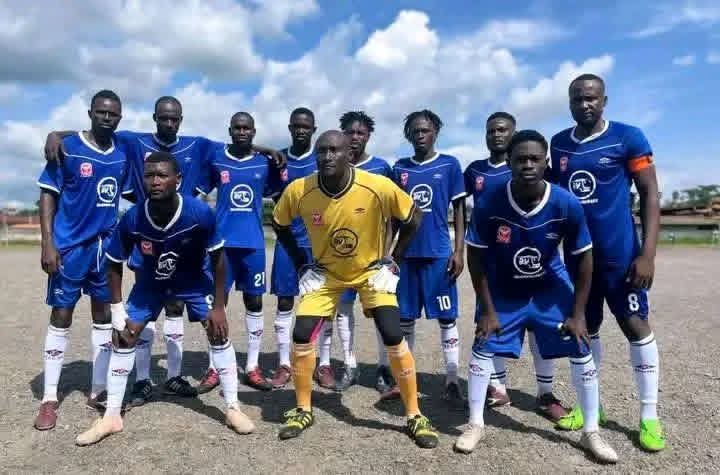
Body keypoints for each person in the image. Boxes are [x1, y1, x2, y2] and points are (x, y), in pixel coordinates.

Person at [43, 97, 283, 402]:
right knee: (144, 305)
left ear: (180, 120)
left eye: (174, 119)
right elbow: (99, 130)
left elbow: (235, 143)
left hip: (183, 239)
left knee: (175, 308)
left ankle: (173, 376)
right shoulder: (135, 141)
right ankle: (142, 379)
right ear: (155, 117)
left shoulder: (196, 145)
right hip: (147, 235)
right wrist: (57, 134)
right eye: (164, 118)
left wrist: (267, 149)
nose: (169, 123)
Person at [456, 130, 617, 463]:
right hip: (505, 287)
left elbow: (584, 257)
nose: (527, 164)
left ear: (546, 162)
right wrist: (487, 310)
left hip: (549, 287)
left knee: (580, 345)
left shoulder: (565, 202)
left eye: (534, 158)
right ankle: (475, 424)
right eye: (520, 159)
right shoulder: (489, 203)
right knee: (483, 343)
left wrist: (578, 314)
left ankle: (591, 431)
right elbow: (476, 257)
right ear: (509, 163)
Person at [272, 130, 439, 448]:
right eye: (321, 151)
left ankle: (415, 414)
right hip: (327, 274)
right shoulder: (300, 190)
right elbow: (280, 224)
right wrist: (301, 264)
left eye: (334, 150)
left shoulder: (376, 185)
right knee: (301, 333)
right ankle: (303, 409)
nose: (327, 156)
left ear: (350, 154)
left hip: (369, 272)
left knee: (392, 333)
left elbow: (414, 216)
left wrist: (393, 260)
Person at [75, 152, 255, 446]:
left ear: (177, 179)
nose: (155, 181)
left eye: (161, 175)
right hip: (150, 285)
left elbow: (218, 259)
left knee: (218, 332)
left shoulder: (199, 213)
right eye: (149, 175)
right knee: (123, 336)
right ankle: (111, 417)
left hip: (193, 282)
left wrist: (219, 306)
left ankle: (233, 408)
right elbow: (113, 263)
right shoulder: (132, 217)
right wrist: (117, 309)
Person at [548, 74, 665, 452]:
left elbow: (649, 193)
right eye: (577, 99)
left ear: (604, 101)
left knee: (635, 325)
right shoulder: (559, 143)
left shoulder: (628, 137)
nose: (584, 104)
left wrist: (647, 254)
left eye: (591, 98)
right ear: (569, 103)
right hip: (577, 258)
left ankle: (649, 417)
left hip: (620, 255)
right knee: (585, 328)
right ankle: (589, 408)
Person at [34, 90, 128, 431]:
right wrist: (48, 243)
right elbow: (48, 194)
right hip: (70, 247)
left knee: (103, 317)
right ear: (90, 113)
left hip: (105, 249)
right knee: (62, 315)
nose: (107, 118)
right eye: (101, 112)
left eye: (113, 114)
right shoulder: (68, 148)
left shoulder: (122, 153)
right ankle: (49, 398)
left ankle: (98, 389)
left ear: (120, 117)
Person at [463, 112, 566, 421]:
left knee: (538, 327)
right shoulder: (475, 171)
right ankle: (498, 387)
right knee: (491, 325)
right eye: (491, 130)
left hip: (535, 261)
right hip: (494, 265)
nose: (496, 135)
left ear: (514, 134)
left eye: (502, 130)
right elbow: (460, 207)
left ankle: (545, 393)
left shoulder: (533, 167)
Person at [392, 109, 467, 407]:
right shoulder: (400, 168)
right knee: (405, 318)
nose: (420, 135)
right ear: (408, 135)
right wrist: (389, 253)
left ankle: (452, 379)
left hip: (438, 254)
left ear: (436, 132)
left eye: (425, 130)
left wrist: (458, 250)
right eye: (415, 131)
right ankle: (404, 378)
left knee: (447, 318)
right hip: (407, 255)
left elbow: (459, 210)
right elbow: (394, 216)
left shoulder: (450, 165)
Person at [196, 112, 274, 390]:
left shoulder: (264, 163)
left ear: (254, 132)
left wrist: (270, 151)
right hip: (221, 246)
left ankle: (252, 366)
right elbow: (199, 191)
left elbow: (280, 193)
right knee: (217, 303)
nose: (242, 132)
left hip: (253, 244)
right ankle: (214, 366)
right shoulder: (218, 160)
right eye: (237, 128)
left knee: (255, 302)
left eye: (246, 128)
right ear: (230, 131)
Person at [333, 110, 394, 392]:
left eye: (361, 133)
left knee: (381, 312)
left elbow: (392, 216)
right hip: (342, 255)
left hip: (373, 258)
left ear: (368, 136)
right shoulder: (333, 166)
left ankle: (384, 368)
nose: (355, 137)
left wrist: (387, 252)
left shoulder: (381, 167)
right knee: (343, 310)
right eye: (350, 132)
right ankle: (349, 365)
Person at [266, 107, 321, 389]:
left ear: (313, 130)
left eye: (306, 126)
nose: (301, 130)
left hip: (318, 243)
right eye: (296, 126)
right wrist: (265, 149)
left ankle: (321, 363)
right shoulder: (279, 161)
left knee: (320, 303)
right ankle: (284, 363)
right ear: (289, 128)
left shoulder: (322, 158)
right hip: (287, 243)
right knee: (285, 301)